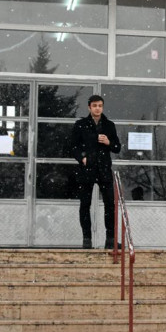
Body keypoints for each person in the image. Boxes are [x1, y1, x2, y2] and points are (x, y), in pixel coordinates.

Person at [71, 95, 122, 249]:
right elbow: (72, 146)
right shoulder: (81, 125)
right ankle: (87, 239)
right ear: (89, 107)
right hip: (87, 169)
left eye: (100, 105)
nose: (97, 108)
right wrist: (82, 158)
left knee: (110, 205)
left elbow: (117, 147)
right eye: (94, 105)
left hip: (104, 169)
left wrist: (109, 142)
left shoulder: (109, 125)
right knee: (85, 205)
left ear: (103, 107)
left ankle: (110, 240)